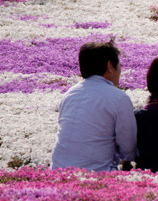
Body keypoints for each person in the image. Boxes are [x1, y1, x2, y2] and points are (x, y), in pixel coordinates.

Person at [52, 40, 137, 171]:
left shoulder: (70, 94)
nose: (120, 68)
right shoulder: (119, 98)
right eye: (118, 64)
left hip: (57, 173)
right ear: (110, 66)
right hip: (95, 175)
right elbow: (127, 146)